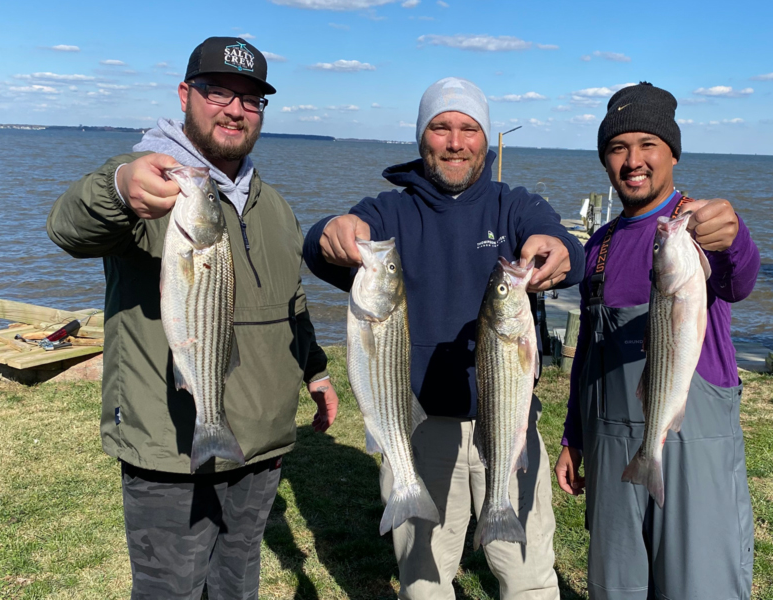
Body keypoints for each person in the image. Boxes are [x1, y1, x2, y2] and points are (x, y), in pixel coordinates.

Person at [47, 37, 339, 599]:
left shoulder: (272, 204)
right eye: (218, 92)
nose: (235, 109)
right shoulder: (148, 183)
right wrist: (117, 188)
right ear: (186, 95)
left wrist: (317, 369)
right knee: (170, 589)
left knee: (237, 584)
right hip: (168, 447)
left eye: (251, 100)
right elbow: (67, 228)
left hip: (260, 444)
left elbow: (290, 302)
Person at [303, 77, 585, 600]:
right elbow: (320, 245)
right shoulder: (390, 212)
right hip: (420, 427)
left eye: (468, 128)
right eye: (441, 127)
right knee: (426, 582)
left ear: (484, 137)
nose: (455, 141)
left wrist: (559, 251)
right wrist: (330, 232)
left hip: (509, 425)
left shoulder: (515, 206)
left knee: (529, 578)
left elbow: (565, 248)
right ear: (421, 136)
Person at [554, 82, 759, 600]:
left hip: (694, 442)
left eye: (648, 144)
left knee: (699, 585)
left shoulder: (701, 228)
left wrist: (735, 240)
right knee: (615, 586)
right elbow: (587, 358)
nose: (633, 161)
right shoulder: (598, 245)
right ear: (605, 160)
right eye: (618, 148)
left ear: (672, 152)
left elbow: (739, 281)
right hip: (612, 449)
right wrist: (573, 436)